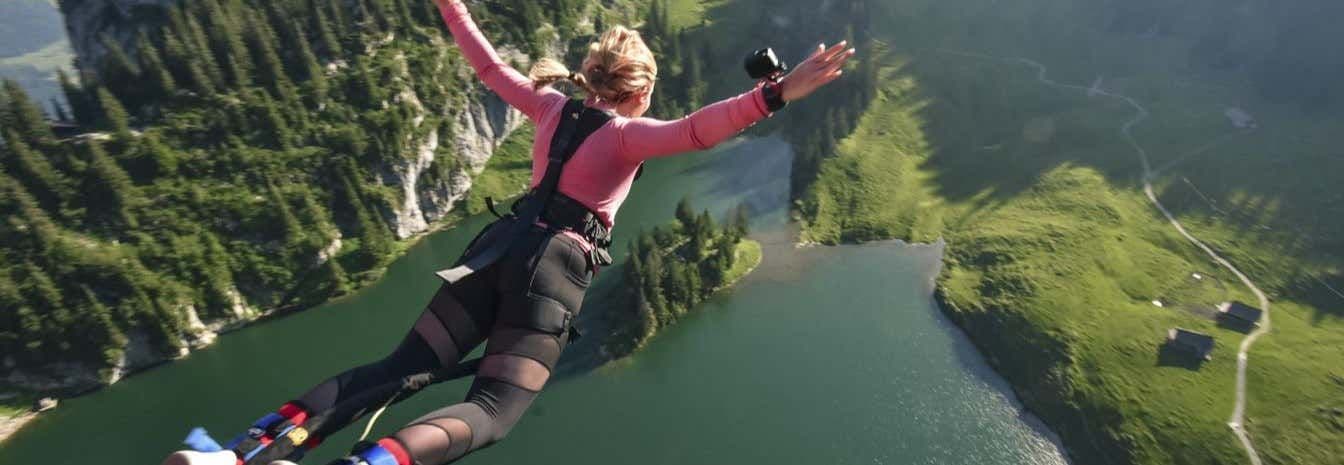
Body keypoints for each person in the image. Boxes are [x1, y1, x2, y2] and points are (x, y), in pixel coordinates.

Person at [165, 1, 852, 464]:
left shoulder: (550, 106)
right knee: (492, 409)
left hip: (494, 250)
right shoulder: (627, 136)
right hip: (551, 272)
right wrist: (776, 92)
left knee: (396, 368)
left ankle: (240, 452)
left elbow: (489, 65)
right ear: (639, 91)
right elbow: (698, 130)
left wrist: (450, 6)